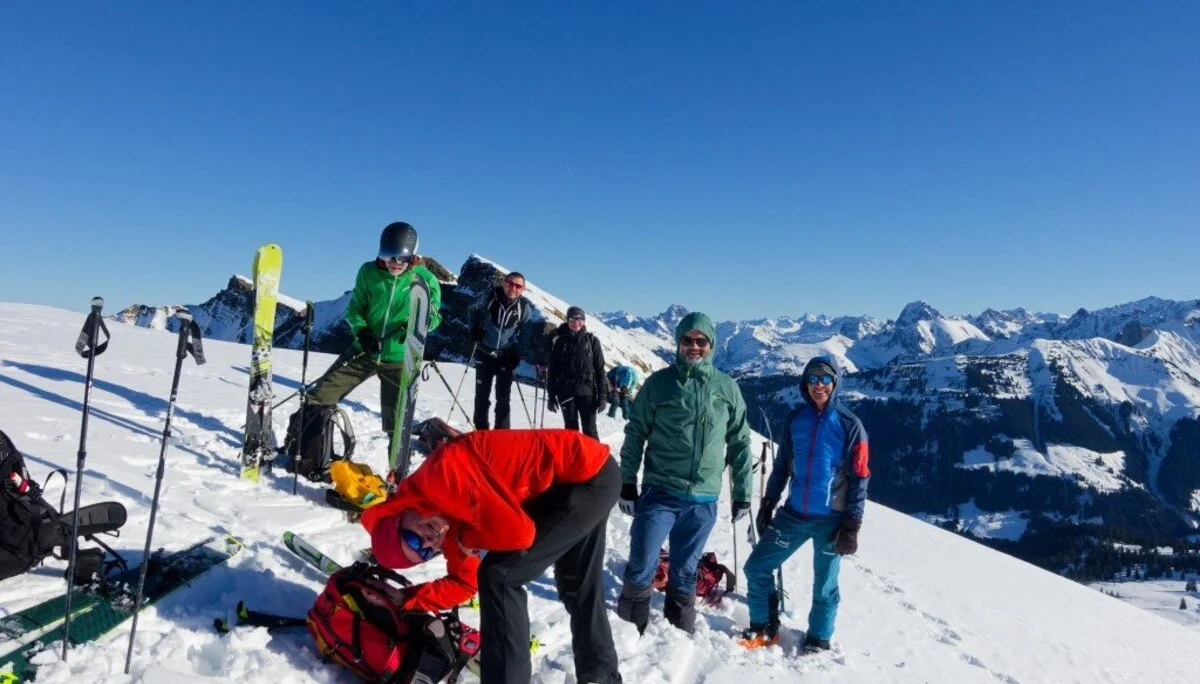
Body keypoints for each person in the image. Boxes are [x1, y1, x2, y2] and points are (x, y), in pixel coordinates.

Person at [361, 430, 623, 684]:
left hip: (585, 475)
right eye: (423, 553)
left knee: (500, 576)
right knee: (577, 583)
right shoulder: (443, 524)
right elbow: (466, 582)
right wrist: (408, 598)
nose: (427, 542)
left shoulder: (440, 478)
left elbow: (520, 534)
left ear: (399, 514)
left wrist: (468, 539)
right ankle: (602, 676)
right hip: (583, 476)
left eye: (412, 539)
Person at [615, 312, 753, 634]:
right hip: (660, 491)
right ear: (678, 343)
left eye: (700, 341)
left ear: (711, 345)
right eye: (687, 340)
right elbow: (636, 432)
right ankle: (627, 634)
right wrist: (626, 482)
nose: (694, 346)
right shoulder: (659, 384)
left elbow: (740, 443)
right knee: (641, 563)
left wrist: (744, 494)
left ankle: (678, 635)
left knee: (686, 571)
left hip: (703, 499)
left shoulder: (727, 388)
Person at [737, 356, 869, 654]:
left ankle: (819, 639)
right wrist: (768, 502)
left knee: (825, 586)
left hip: (832, 520)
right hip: (794, 515)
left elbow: (860, 477)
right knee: (757, 566)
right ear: (804, 383)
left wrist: (852, 525)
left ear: (835, 383)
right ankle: (764, 626)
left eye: (825, 379)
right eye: (813, 379)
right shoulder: (796, 419)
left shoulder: (850, 425)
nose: (818, 385)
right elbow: (782, 464)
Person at [306, 222, 442, 457]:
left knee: (396, 421)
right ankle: (309, 456)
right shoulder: (368, 272)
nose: (394, 263)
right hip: (364, 351)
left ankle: (396, 470)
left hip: (400, 359)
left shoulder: (425, 280)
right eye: (388, 255)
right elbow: (355, 309)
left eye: (401, 258)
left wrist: (421, 324)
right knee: (319, 396)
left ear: (413, 256)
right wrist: (362, 332)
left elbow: (435, 316)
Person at [467, 272, 533, 430]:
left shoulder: (523, 307)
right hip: (484, 352)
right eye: (510, 283)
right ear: (504, 283)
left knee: (503, 397)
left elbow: (526, 332)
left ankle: (502, 434)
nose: (513, 288)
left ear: (523, 289)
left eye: (518, 286)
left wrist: (518, 353)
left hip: (505, 356)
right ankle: (481, 431)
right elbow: (472, 309)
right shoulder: (489, 297)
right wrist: (474, 328)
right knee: (482, 396)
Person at [546, 306, 608, 440]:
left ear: (584, 321)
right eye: (573, 319)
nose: (576, 323)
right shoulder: (561, 342)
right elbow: (553, 371)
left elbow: (600, 371)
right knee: (571, 432)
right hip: (566, 392)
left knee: (590, 430)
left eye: (580, 319)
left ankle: (595, 460)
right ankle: (573, 460)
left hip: (587, 392)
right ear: (567, 321)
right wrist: (551, 396)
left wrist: (602, 396)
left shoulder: (592, 341)